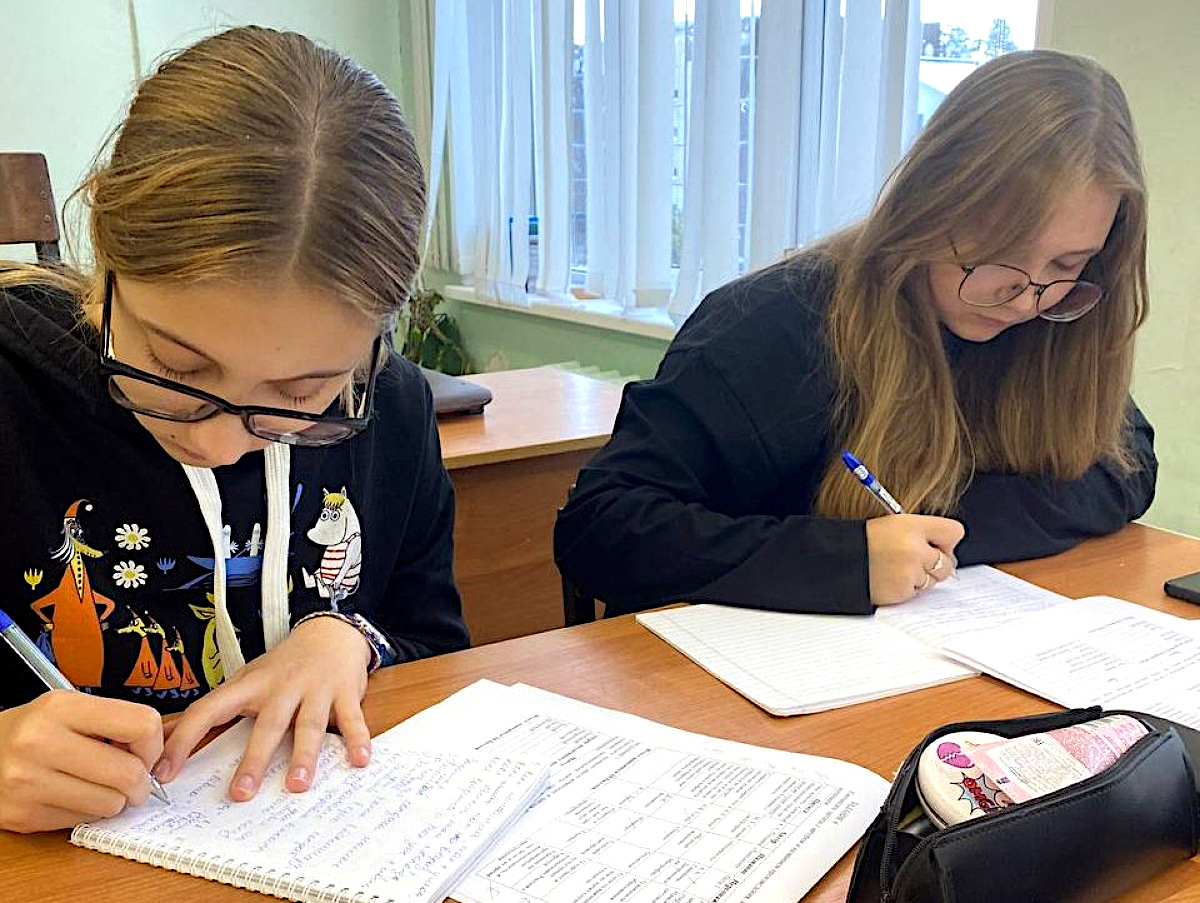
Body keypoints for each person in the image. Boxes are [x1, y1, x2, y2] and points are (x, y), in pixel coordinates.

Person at [0, 26, 469, 833]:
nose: (217, 445)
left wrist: (350, 637)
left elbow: (436, 640)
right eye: (175, 368)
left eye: (300, 395)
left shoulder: (388, 410)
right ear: (105, 249)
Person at [555, 49, 1156, 618]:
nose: (1024, 298)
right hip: (731, 664)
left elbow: (1126, 469)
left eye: (1066, 264)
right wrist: (846, 558)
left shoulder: (1059, 320)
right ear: (931, 202)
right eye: (999, 253)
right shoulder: (774, 326)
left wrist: (945, 533)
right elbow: (601, 528)